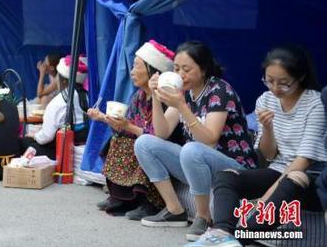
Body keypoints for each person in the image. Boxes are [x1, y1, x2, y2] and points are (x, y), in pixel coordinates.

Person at [187, 46, 327, 247]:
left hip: (308, 175)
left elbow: (304, 160)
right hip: (278, 168)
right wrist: (268, 128)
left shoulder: (315, 104)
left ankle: (236, 238)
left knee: (292, 179)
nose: (275, 88)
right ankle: (221, 232)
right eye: (269, 81)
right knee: (226, 175)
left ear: (301, 77)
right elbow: (269, 155)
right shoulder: (266, 99)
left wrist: (265, 198)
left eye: (284, 83)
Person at [134, 41, 257, 241]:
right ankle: (175, 210)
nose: (180, 75)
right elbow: (162, 133)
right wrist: (156, 97)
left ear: (204, 69)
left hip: (234, 168)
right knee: (144, 143)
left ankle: (203, 217)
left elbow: (209, 139)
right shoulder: (185, 92)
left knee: (192, 150)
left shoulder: (219, 91)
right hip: (201, 166)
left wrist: (182, 106)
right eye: (176, 69)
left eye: (186, 69)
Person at [91, 40, 178, 220]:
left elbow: (157, 136)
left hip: (163, 147)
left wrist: (127, 127)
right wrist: (103, 118)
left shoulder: (164, 98)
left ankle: (151, 203)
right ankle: (121, 197)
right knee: (118, 140)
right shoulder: (138, 96)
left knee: (137, 145)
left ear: (153, 70)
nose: (131, 71)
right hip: (141, 139)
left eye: (136, 66)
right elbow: (127, 126)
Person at [21, 55, 89, 159]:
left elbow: (46, 137)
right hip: (84, 147)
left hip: (63, 152)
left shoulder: (58, 102)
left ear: (63, 80)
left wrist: (35, 136)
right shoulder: (88, 97)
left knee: (23, 142)